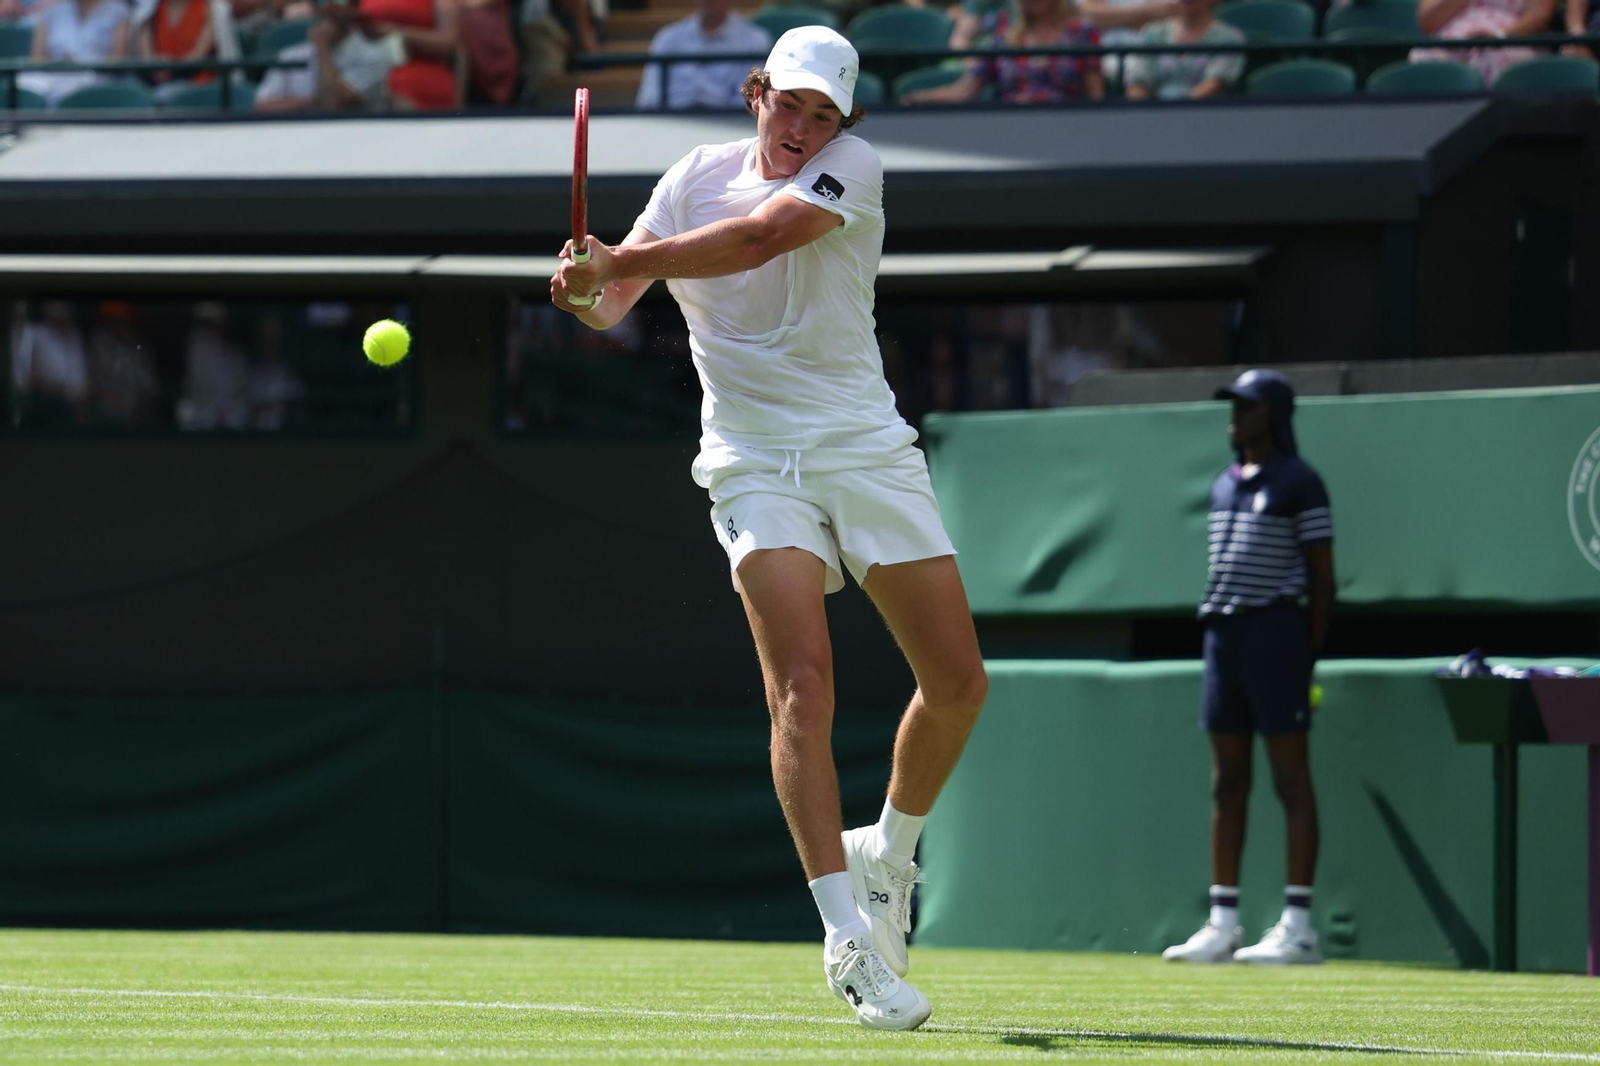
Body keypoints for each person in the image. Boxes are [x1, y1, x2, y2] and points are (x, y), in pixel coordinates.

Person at [550, 26, 988, 1031]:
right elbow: (616, 304)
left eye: (822, 114)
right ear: (757, 94)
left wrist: (621, 258)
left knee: (960, 684)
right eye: (788, 104)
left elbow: (755, 241)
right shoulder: (690, 179)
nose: (801, 127)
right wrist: (585, 290)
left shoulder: (854, 169)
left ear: (843, 125)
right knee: (802, 688)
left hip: (864, 448)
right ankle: (845, 937)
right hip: (752, 461)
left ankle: (888, 853)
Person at [1163, 369, 1335, 966]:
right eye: (1233, 405)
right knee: (1227, 782)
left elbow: (1323, 579)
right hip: (1222, 638)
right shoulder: (1222, 483)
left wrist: (1303, 656)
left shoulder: (1301, 482)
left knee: (1290, 780)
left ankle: (1299, 929)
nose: (1234, 416)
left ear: (1274, 415)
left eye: (1247, 406)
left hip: (1277, 636)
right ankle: (1223, 924)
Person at [900, 0, 1104, 104]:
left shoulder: (1082, 34)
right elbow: (964, 91)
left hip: (1065, 130)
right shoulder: (1005, 38)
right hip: (1012, 130)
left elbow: (1096, 99)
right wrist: (920, 98)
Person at [254, 0, 403, 111]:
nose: (330, 6)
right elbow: (262, 107)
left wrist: (322, 47)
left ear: (355, 7)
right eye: (322, 1)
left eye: (340, 0)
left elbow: (332, 104)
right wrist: (311, 102)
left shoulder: (375, 55)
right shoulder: (291, 55)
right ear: (314, 7)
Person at [635, 0, 769, 110]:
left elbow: (748, 104)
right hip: (670, 124)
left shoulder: (755, 41)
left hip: (727, 126)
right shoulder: (666, 39)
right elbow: (649, 99)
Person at [1411, 0, 1557, 84]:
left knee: (1493, 58)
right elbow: (1427, 23)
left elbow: (1540, 16)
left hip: (1508, 38)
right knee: (1427, 55)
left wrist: (1498, 37)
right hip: (1453, 38)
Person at [1123, 0, 1243, 99]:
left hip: (1204, 115)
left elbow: (1213, 85)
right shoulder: (1151, 34)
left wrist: (1177, 112)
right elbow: (1136, 82)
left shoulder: (1229, 39)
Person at [19, 0, 130, 106]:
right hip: (55, 75)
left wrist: (82, 64)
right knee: (23, 83)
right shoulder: (51, 11)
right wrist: (60, 65)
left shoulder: (118, 11)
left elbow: (118, 61)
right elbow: (37, 60)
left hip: (97, 79)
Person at [358, 0, 459, 108]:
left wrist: (395, 32)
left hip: (420, 68)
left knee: (396, 85)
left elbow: (447, 43)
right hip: (363, 67)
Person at [135, 0, 217, 100]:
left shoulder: (209, 8)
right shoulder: (150, 10)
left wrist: (170, 66)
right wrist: (158, 66)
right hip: (157, 82)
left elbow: (198, 56)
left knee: (165, 95)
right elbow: (147, 58)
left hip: (196, 82)